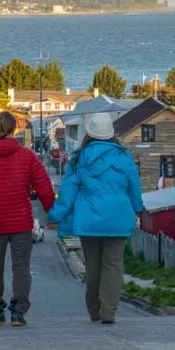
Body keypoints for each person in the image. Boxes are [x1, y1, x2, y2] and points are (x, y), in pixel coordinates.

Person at [48, 112, 142, 324]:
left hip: (89, 219)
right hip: (118, 217)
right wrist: (137, 209)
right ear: (111, 134)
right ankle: (109, 311)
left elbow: (68, 191)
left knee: (93, 266)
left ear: (89, 133)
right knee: (113, 265)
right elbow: (134, 188)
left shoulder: (79, 158)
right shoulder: (123, 157)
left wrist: (55, 215)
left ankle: (94, 310)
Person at [0, 111, 54, 326]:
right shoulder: (27, 156)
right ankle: (18, 312)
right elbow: (43, 185)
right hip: (21, 222)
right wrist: (52, 211)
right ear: (14, 129)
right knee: (21, 268)